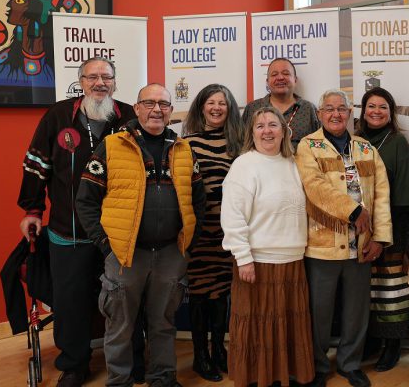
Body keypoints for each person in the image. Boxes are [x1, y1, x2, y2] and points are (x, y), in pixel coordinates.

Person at [76, 83, 206, 387]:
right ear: (137, 109)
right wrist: (107, 246)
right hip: (124, 255)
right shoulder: (111, 146)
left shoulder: (184, 150)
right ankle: (119, 381)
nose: (156, 109)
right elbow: (85, 201)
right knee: (120, 326)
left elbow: (198, 199)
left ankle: (162, 378)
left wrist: (188, 243)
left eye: (163, 104)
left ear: (171, 112)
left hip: (171, 255)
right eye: (149, 103)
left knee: (164, 324)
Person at [17, 56, 135, 387]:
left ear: (115, 81)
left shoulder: (128, 116)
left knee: (125, 299)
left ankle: (130, 358)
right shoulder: (57, 115)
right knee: (71, 301)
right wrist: (32, 210)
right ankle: (74, 364)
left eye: (106, 77)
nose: (100, 83)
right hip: (69, 230)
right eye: (92, 77)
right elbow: (36, 164)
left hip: (118, 231)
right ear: (80, 81)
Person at [295, 90, 392, 387]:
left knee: (356, 312)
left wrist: (381, 237)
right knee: (319, 313)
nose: (335, 114)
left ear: (350, 113)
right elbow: (314, 187)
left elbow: (382, 194)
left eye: (341, 109)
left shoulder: (365, 149)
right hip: (322, 247)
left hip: (361, 246)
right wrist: (352, 212)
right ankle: (318, 366)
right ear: (320, 114)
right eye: (329, 109)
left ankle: (350, 364)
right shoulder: (308, 146)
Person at [221, 107, 314, 387]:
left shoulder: (293, 163)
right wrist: (243, 257)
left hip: (293, 260)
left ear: (285, 130)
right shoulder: (244, 165)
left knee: (286, 326)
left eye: (273, 125)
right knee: (258, 326)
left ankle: (284, 376)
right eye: (259, 126)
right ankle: (257, 378)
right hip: (257, 262)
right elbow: (233, 215)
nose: (267, 131)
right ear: (251, 132)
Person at [181, 84, 244, 382]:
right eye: (211, 102)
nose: (217, 108)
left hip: (229, 233)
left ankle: (219, 349)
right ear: (201, 107)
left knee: (221, 293)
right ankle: (199, 356)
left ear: (230, 109)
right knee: (199, 294)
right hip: (199, 232)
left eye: (223, 103)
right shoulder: (186, 143)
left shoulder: (240, 143)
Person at [355, 87, 409, 372]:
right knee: (364, 290)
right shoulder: (353, 141)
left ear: (391, 114)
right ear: (363, 111)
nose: (376, 112)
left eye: (382, 107)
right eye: (370, 107)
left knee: (389, 290)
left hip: (391, 229)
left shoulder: (397, 143)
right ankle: (370, 342)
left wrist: (387, 237)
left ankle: (392, 346)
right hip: (356, 229)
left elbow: (403, 196)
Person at [242, 57, 319, 148]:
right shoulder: (253, 108)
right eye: (274, 75)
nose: (280, 77)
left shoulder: (309, 109)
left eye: (286, 73)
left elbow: (319, 146)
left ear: (295, 80)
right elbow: (242, 142)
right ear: (267, 81)